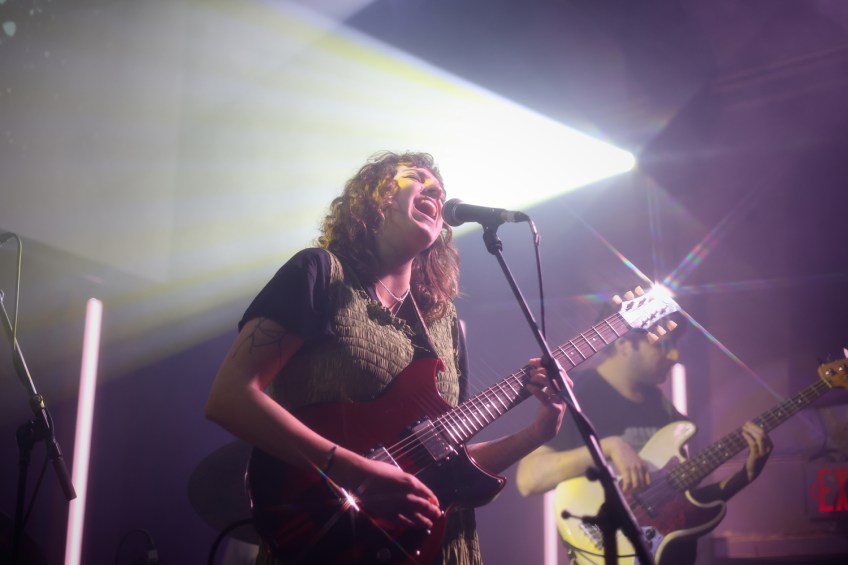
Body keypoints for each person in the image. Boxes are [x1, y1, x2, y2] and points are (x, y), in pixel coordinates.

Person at [205, 151, 565, 565]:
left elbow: (446, 461)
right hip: (328, 539)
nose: (434, 191)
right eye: (416, 178)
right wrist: (353, 471)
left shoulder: (444, 322)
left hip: (440, 546)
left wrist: (537, 433)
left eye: (439, 189)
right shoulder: (320, 274)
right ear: (374, 196)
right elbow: (228, 397)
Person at [515, 306, 773, 564]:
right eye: (663, 344)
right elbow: (529, 478)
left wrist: (742, 477)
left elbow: (683, 507)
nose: (674, 356)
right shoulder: (577, 394)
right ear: (624, 343)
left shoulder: (667, 412)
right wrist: (610, 447)